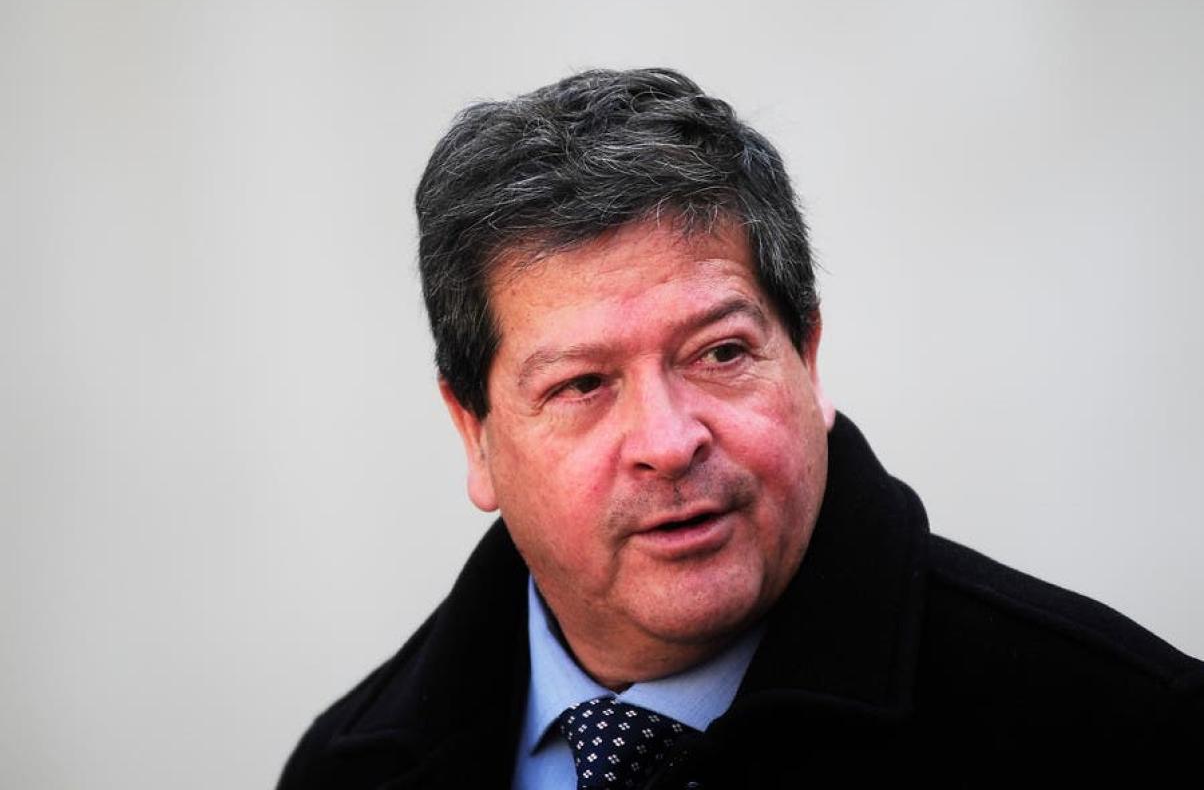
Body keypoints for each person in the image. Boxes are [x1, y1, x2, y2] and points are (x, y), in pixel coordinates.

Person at [278, 68, 1203, 788]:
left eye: (720, 353)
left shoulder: (1119, 735)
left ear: (807, 357)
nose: (669, 441)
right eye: (584, 384)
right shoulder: (347, 770)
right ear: (474, 434)